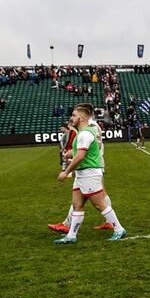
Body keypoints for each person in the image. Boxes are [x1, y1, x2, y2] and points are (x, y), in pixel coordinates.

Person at [53, 103, 127, 244]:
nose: (71, 118)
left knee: (99, 204)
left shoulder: (85, 134)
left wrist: (66, 172)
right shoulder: (82, 133)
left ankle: (119, 229)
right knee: (77, 204)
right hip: (83, 173)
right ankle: (71, 235)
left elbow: (81, 157)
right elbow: (81, 153)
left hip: (89, 173)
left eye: (74, 115)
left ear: (81, 118)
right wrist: (71, 153)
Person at [48, 119, 114, 234]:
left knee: (99, 196)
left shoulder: (91, 125)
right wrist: (74, 152)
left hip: (92, 164)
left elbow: (96, 145)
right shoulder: (88, 125)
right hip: (89, 164)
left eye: (75, 114)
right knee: (80, 197)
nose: (73, 118)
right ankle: (67, 224)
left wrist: (75, 154)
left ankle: (113, 223)